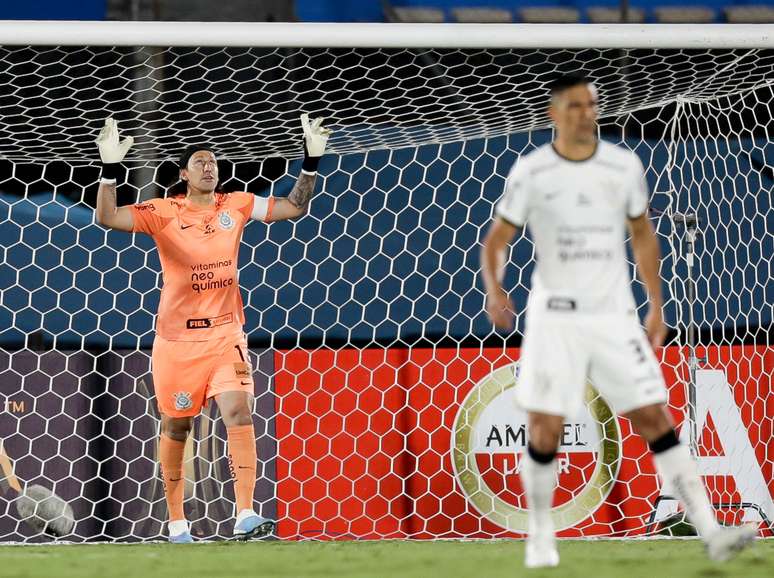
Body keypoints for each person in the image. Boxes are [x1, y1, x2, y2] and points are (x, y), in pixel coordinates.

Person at [480, 74, 756, 568]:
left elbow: (642, 233)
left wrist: (656, 303)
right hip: (555, 318)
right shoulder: (532, 172)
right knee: (546, 428)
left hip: (613, 315)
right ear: (553, 113)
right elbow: (497, 240)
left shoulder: (622, 165)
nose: (586, 113)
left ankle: (711, 532)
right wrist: (495, 288)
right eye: (575, 105)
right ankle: (541, 536)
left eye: (591, 104)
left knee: (655, 417)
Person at [94, 114, 331, 543]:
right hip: (178, 342)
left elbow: (294, 206)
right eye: (200, 161)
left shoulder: (235, 205)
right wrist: (110, 170)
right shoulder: (163, 212)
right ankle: (177, 523)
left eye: (214, 162)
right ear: (184, 174)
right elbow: (108, 218)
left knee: (239, 411)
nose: (209, 166)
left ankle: (245, 513)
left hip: (226, 335)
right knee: (177, 427)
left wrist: (310, 160)